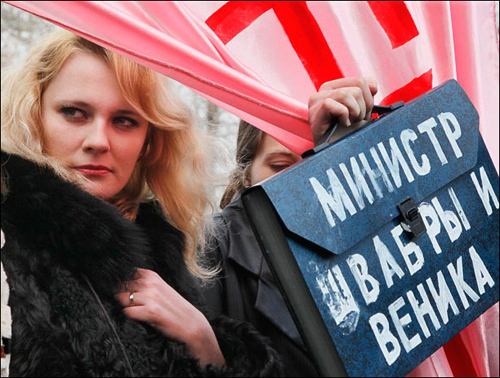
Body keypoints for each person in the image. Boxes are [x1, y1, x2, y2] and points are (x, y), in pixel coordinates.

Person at [0, 30, 283, 377]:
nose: (98, 141)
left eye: (124, 121)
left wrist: (207, 345)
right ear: (34, 116)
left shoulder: (165, 254)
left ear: (149, 140)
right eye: (74, 112)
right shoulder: (8, 246)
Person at [203, 78, 379, 377]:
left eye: (313, 163)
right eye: (281, 167)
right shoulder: (211, 249)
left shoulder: (368, 240)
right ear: (246, 174)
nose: (299, 184)